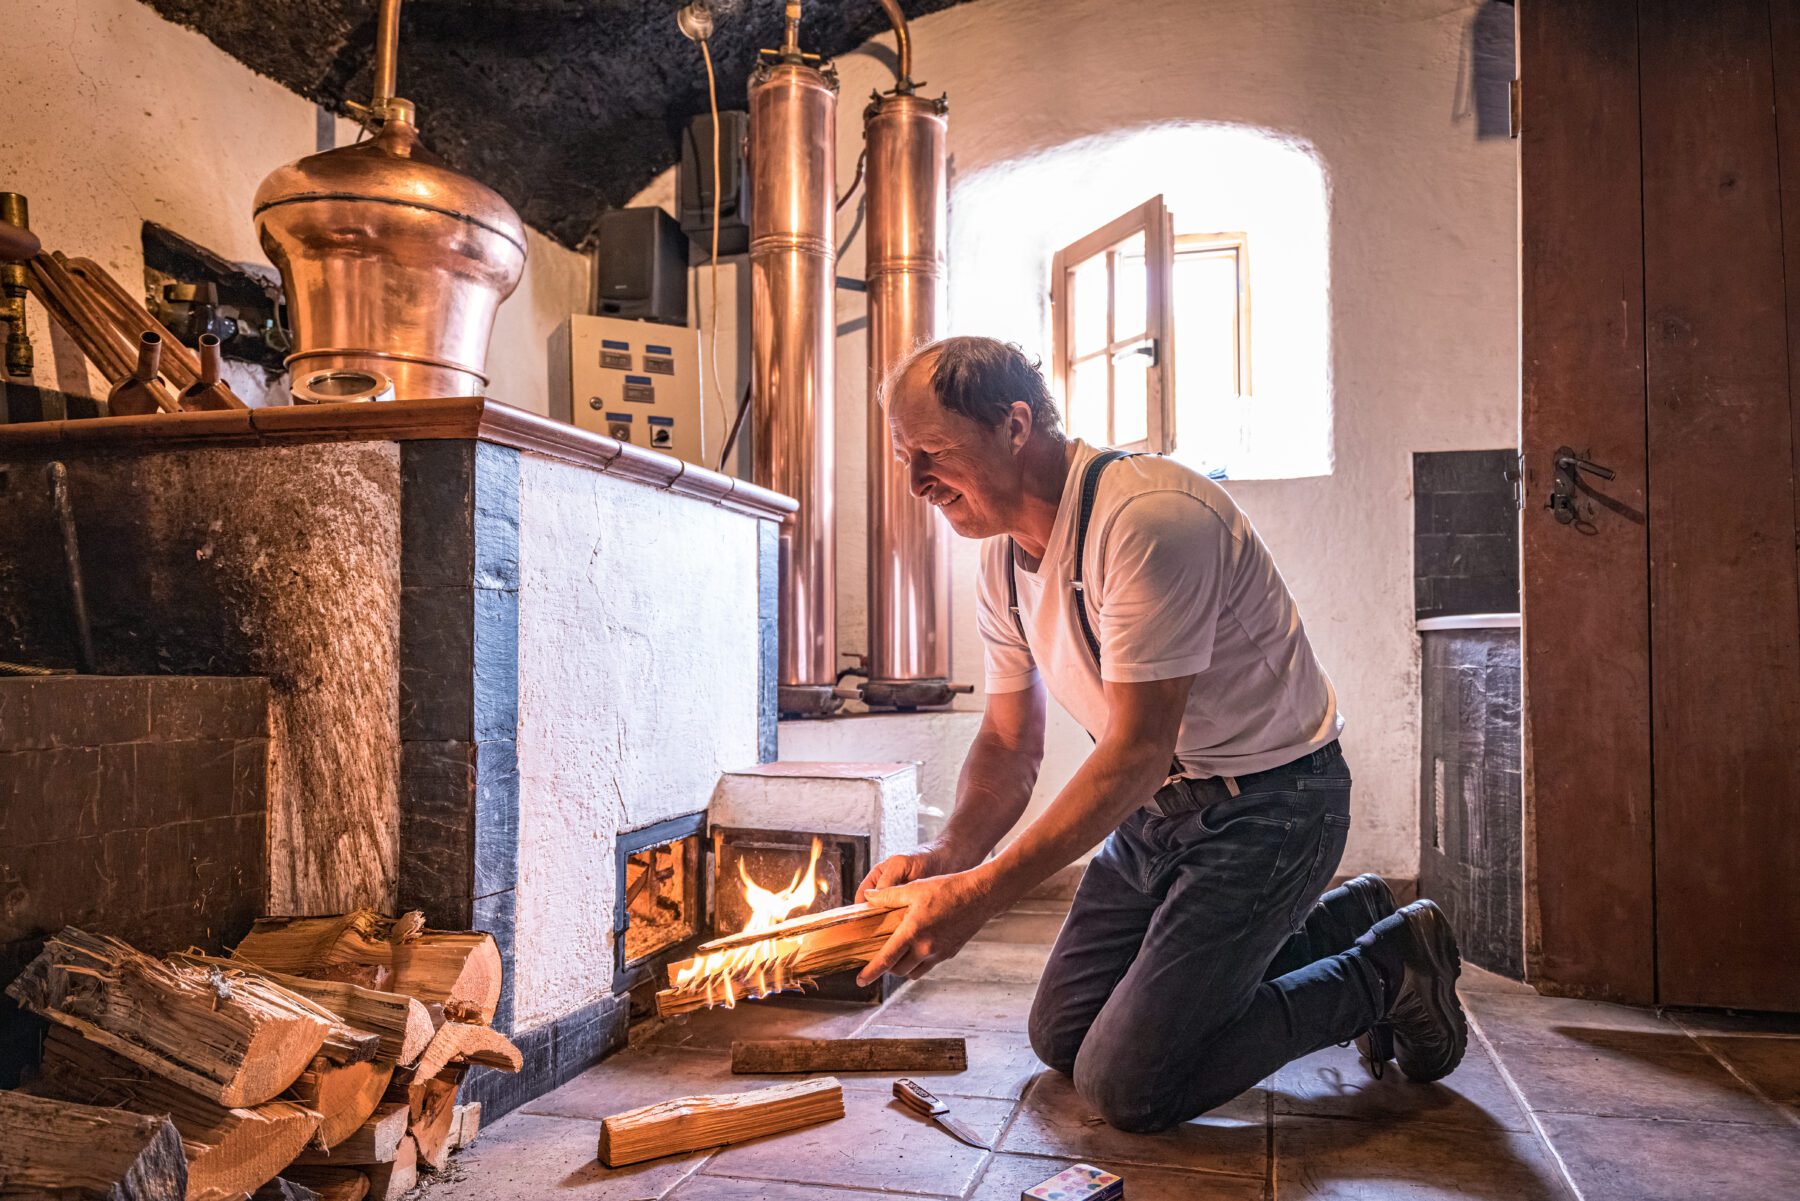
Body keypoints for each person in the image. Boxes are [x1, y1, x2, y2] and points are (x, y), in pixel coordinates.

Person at [853, 336, 1466, 1133]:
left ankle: (1386, 970)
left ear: (1012, 425)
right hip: (1159, 817)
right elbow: (1009, 745)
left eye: (929, 452)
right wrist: (947, 860)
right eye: (904, 458)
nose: (915, 483)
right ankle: (1345, 920)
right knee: (1063, 1034)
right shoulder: (1003, 564)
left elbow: (1138, 750)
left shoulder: (1145, 520)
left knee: (1129, 1083)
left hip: (1274, 806)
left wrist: (980, 896)